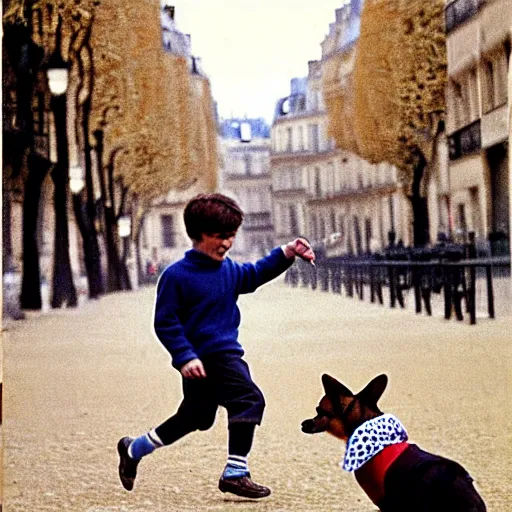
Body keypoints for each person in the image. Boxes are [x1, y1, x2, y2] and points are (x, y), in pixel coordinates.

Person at [117, 193, 315, 499]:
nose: (226, 243)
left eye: (231, 236)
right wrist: (184, 357)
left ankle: (134, 448)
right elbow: (165, 323)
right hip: (207, 358)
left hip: (217, 356)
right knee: (249, 399)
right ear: (197, 235)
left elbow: (255, 274)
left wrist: (287, 253)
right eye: (220, 237)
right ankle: (236, 472)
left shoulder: (229, 270)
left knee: (195, 417)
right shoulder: (175, 276)